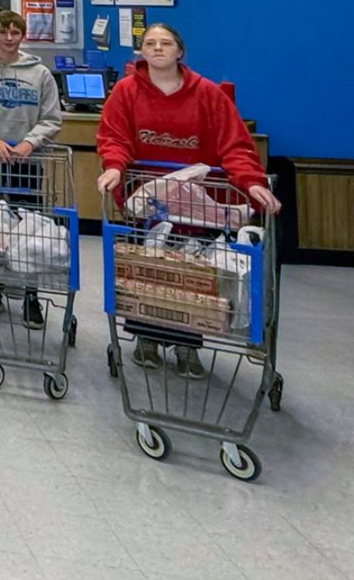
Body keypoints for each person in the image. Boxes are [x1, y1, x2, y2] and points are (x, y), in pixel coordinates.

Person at [96, 23, 279, 378]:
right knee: (148, 272)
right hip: (146, 203)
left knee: (191, 275)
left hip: (198, 207)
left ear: (180, 51)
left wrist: (252, 183)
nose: (158, 48)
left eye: (166, 43)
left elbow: (235, 145)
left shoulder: (208, 94)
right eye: (150, 43)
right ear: (141, 52)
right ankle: (146, 337)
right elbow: (114, 138)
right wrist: (115, 168)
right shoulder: (126, 91)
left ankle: (187, 344)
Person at [0, 9, 62, 327]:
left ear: (22, 35)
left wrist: (29, 143)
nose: (7, 38)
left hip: (26, 162)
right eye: (2, 31)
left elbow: (51, 118)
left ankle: (31, 297)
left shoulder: (40, 74)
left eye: (14, 32)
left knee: (28, 230)